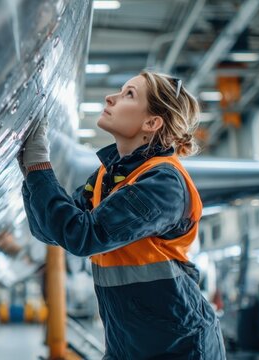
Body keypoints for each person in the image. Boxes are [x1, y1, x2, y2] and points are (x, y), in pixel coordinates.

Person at [18, 70, 226, 359]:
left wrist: (40, 167)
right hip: (125, 345)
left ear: (152, 123)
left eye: (129, 94)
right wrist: (31, 174)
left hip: (179, 347)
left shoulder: (163, 183)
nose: (110, 97)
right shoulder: (107, 176)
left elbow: (84, 237)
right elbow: (49, 232)